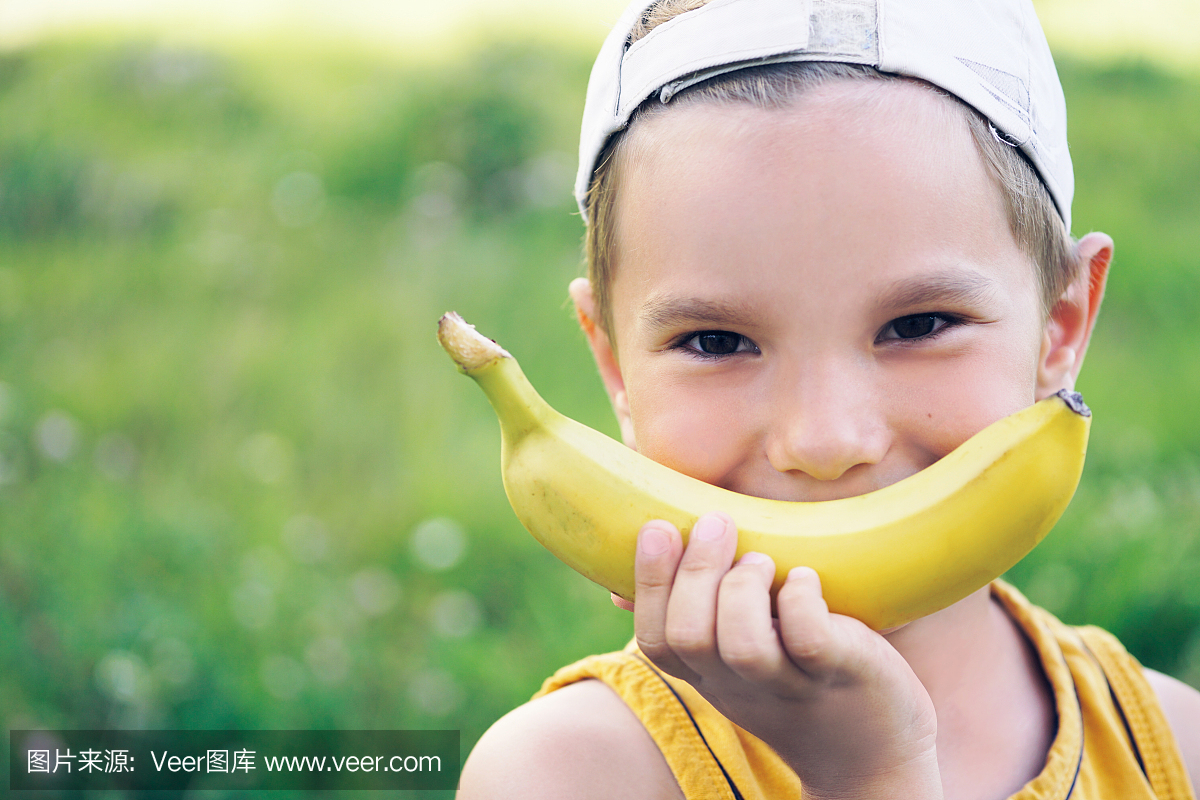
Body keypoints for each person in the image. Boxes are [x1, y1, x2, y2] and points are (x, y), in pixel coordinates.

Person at [458, 0, 1200, 797]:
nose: (823, 440)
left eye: (918, 324)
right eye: (715, 342)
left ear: (1059, 330)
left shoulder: (1174, 749)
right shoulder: (566, 773)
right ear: (615, 367)